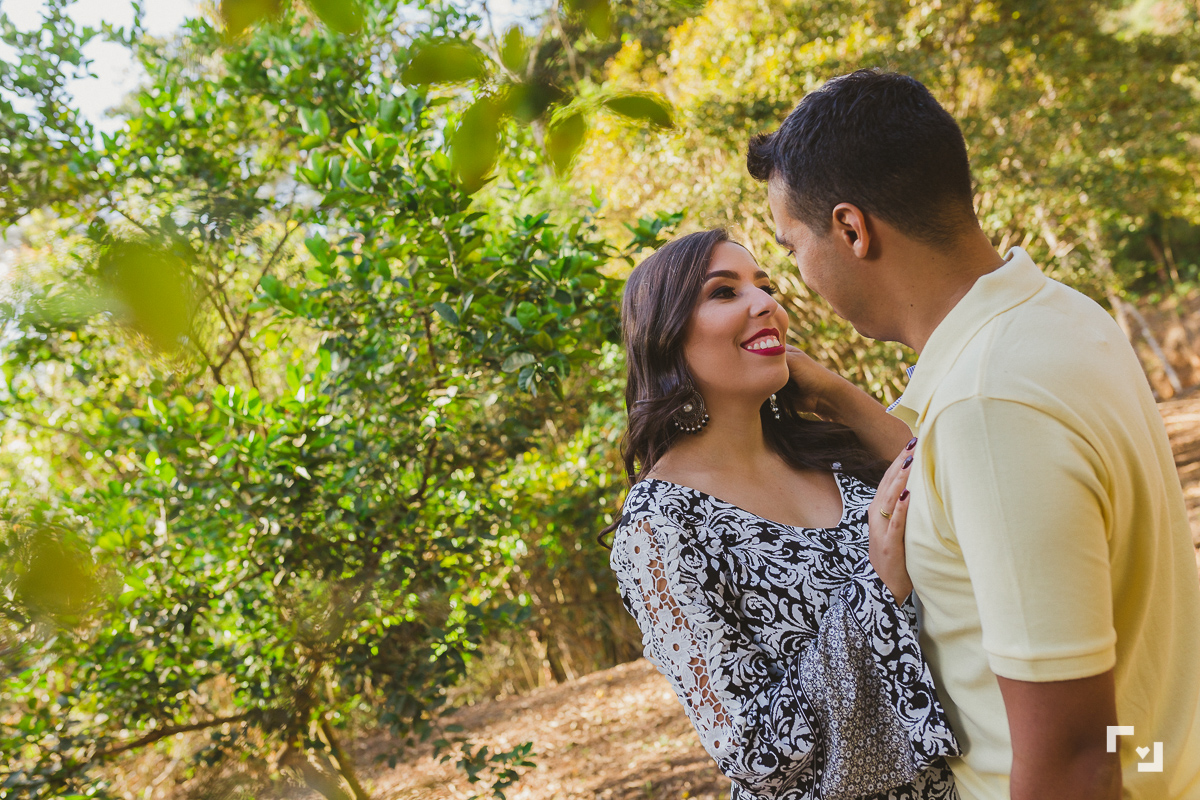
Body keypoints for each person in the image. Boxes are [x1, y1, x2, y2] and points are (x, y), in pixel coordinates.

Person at [746, 68, 1200, 800]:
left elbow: (1074, 758)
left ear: (851, 229)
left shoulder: (987, 407)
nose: (796, 281)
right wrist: (837, 395)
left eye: (792, 248)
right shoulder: (1058, 317)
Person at [605, 227, 962, 799]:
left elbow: (954, 489)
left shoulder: (832, 457)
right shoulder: (660, 529)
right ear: (665, 338)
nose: (766, 303)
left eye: (765, 286)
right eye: (725, 292)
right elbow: (749, 749)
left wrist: (835, 393)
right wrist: (878, 588)